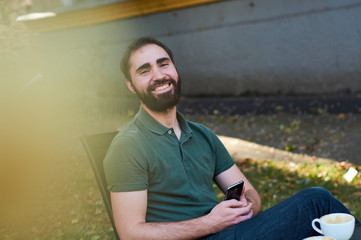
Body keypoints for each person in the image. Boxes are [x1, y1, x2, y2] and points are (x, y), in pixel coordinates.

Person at [104, 37, 359, 240]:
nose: (159, 75)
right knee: (317, 202)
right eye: (144, 70)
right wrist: (210, 223)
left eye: (163, 63)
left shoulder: (201, 134)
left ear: (174, 68)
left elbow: (251, 194)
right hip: (208, 234)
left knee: (324, 229)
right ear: (130, 84)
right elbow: (131, 233)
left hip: (226, 232)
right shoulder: (129, 145)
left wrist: (243, 206)